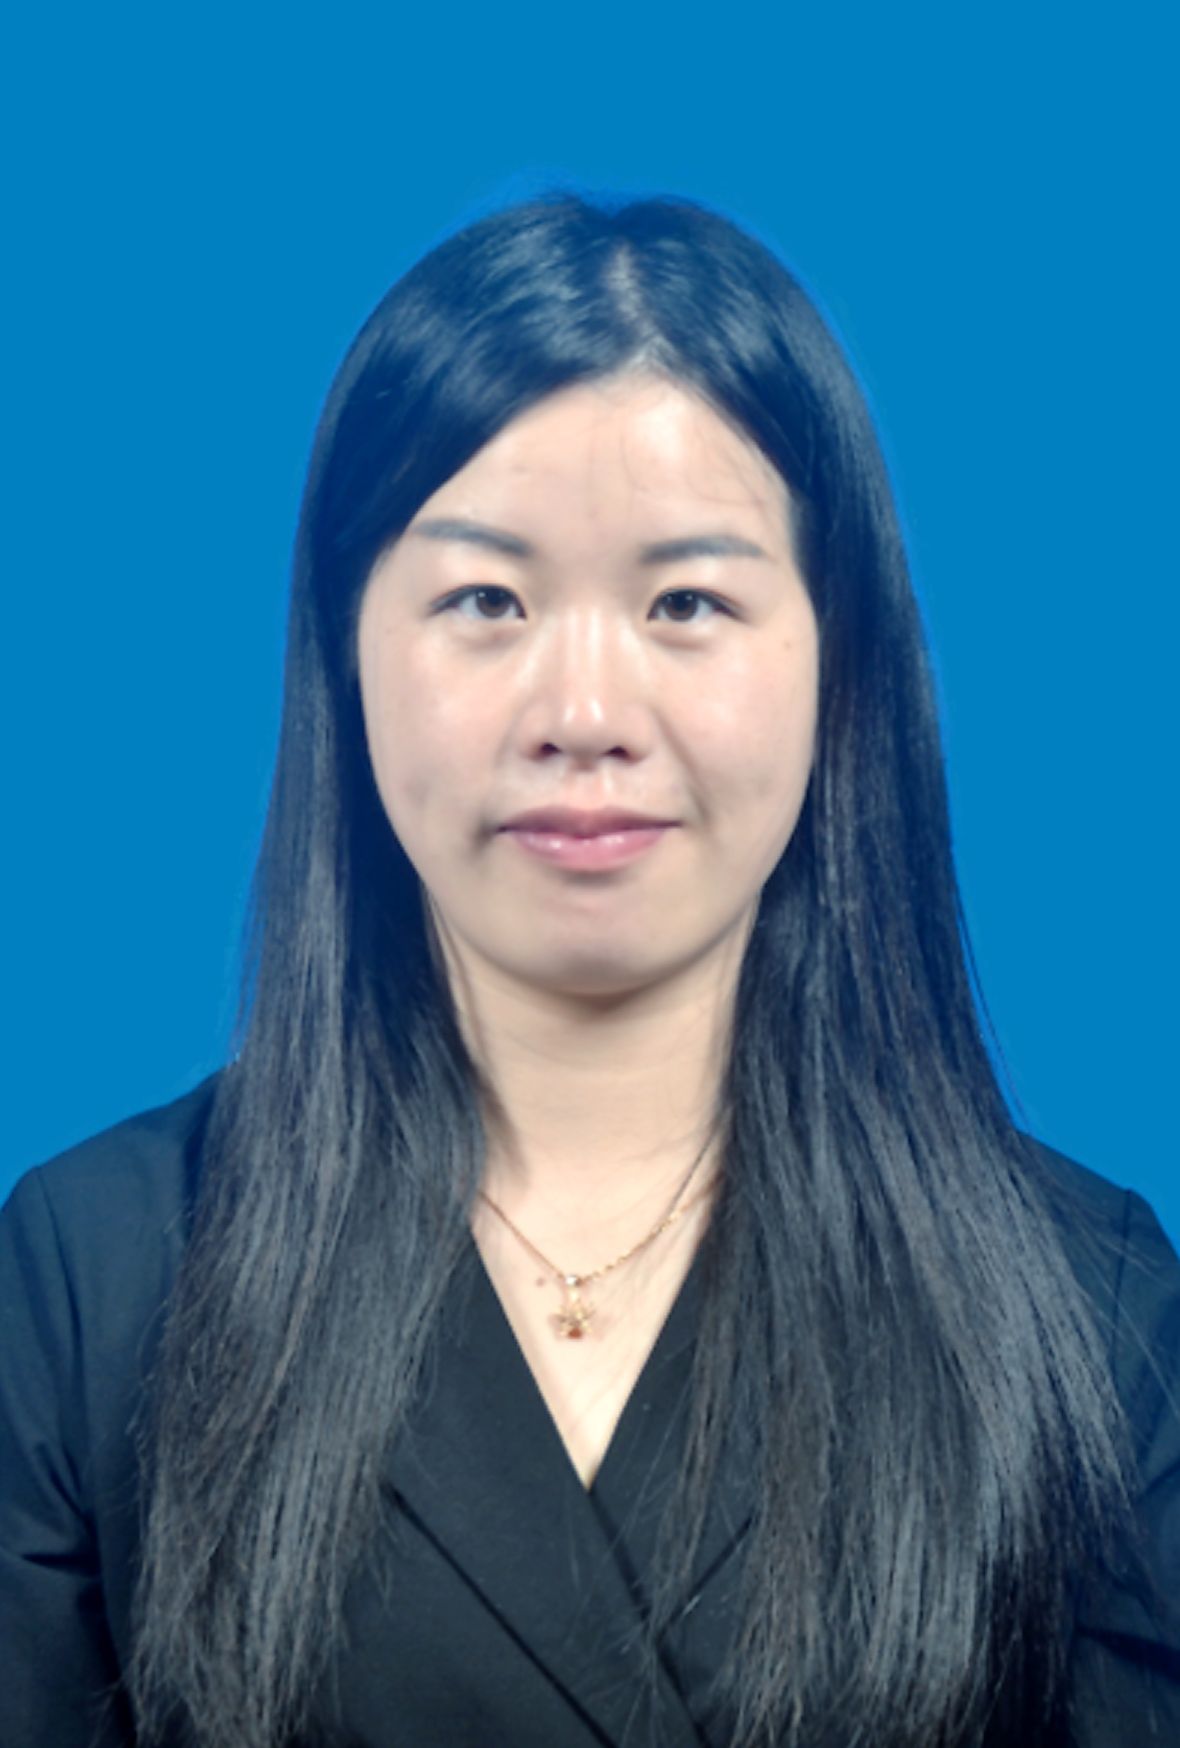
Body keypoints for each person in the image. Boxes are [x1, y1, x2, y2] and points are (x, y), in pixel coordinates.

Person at [1, 190, 1177, 1748]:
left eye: (687, 602)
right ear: (345, 653)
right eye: (486, 601)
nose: (584, 714)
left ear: (839, 663)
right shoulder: (92, 1277)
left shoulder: (1084, 1309)